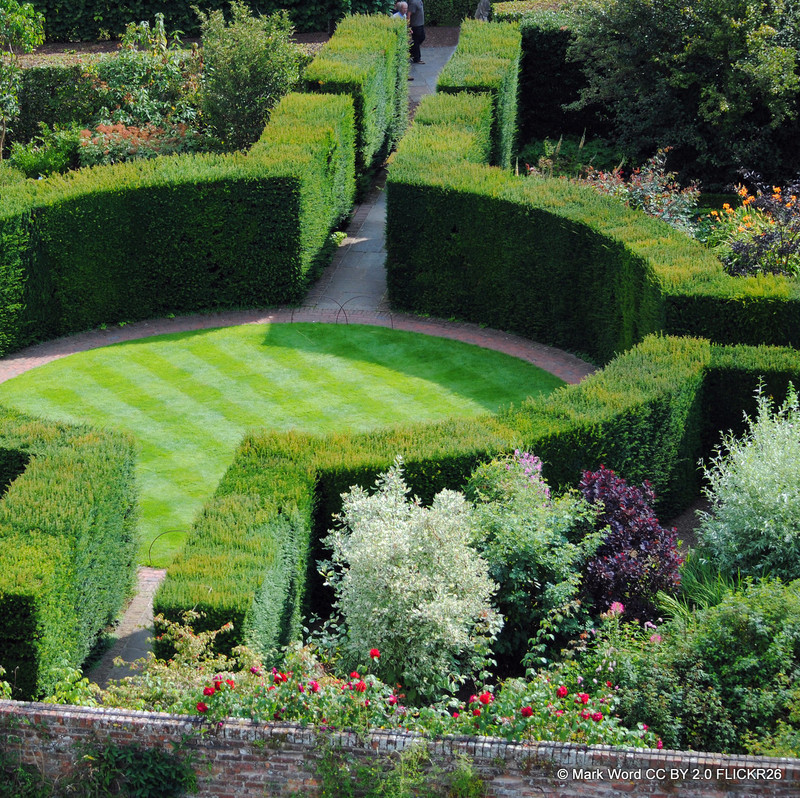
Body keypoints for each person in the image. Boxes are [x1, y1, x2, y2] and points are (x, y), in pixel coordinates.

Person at [406, 0, 425, 64]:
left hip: (420, 24)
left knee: (422, 38)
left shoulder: (419, 1)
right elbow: (409, 14)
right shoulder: (413, 3)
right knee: (416, 42)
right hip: (415, 26)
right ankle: (417, 58)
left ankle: (411, 51)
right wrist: (408, 26)